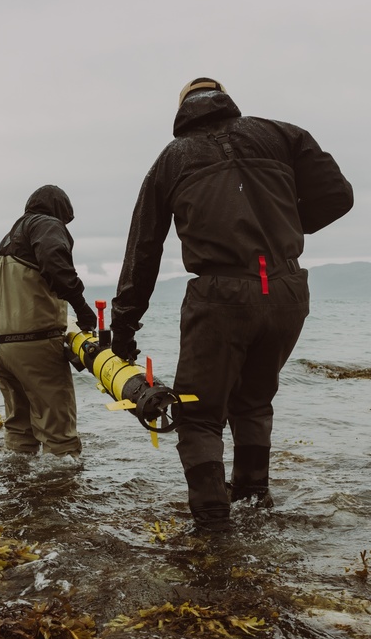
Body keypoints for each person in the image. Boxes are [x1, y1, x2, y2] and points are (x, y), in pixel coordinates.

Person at [111, 78, 354, 530]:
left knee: (198, 415)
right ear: (226, 100)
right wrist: (281, 228)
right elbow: (339, 196)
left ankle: (214, 530)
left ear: (183, 108)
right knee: (254, 403)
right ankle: (254, 503)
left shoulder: (171, 160)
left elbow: (143, 250)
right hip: (286, 290)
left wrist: (123, 330)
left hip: (221, 295)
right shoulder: (282, 134)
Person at [0, 184, 98, 457]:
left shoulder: (8, 240)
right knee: (58, 430)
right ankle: (61, 490)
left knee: (19, 427)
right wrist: (83, 309)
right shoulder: (46, 224)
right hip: (33, 343)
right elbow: (56, 265)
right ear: (60, 212)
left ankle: (18, 486)